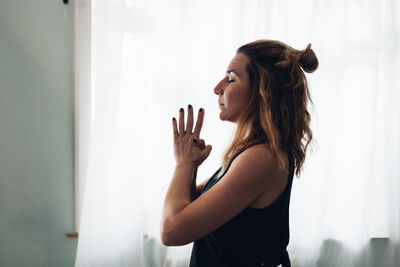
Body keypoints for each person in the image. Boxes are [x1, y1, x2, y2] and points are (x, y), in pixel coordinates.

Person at [161, 39, 318, 267]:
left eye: (231, 79)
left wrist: (183, 163)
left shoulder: (262, 158)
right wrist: (192, 166)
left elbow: (172, 231)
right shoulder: (251, 152)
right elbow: (193, 207)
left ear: (262, 91)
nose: (218, 87)